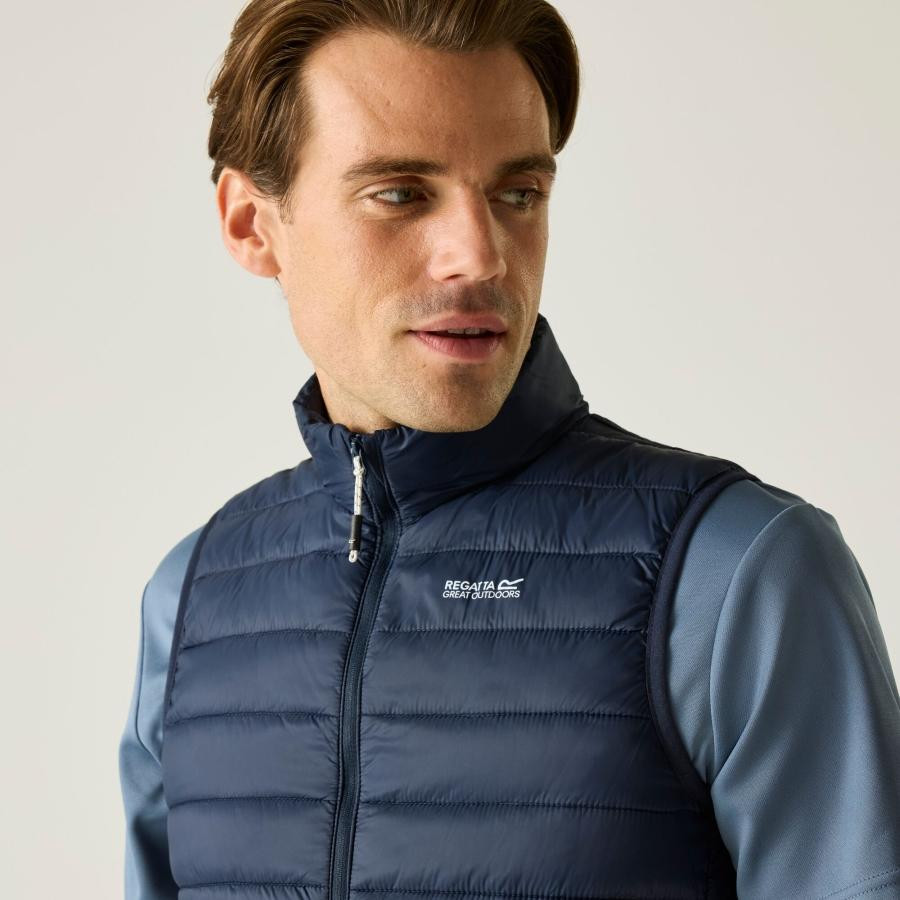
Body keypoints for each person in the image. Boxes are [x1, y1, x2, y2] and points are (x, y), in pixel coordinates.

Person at [118, 1, 900, 898]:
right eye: (401, 194)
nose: (480, 256)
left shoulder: (734, 577)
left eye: (517, 194)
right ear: (252, 225)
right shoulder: (191, 601)